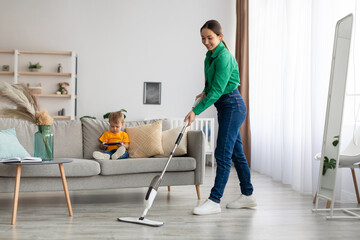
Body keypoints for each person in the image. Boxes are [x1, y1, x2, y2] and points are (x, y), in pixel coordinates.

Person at [184, 20, 256, 215]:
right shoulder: (210, 55)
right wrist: (204, 92)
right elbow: (212, 84)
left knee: (222, 153)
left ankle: (215, 200)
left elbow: (217, 91)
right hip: (225, 107)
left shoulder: (223, 57)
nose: (206, 42)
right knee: (236, 153)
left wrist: (196, 111)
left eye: (210, 38)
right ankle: (248, 195)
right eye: (203, 38)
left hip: (233, 105)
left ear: (220, 37)